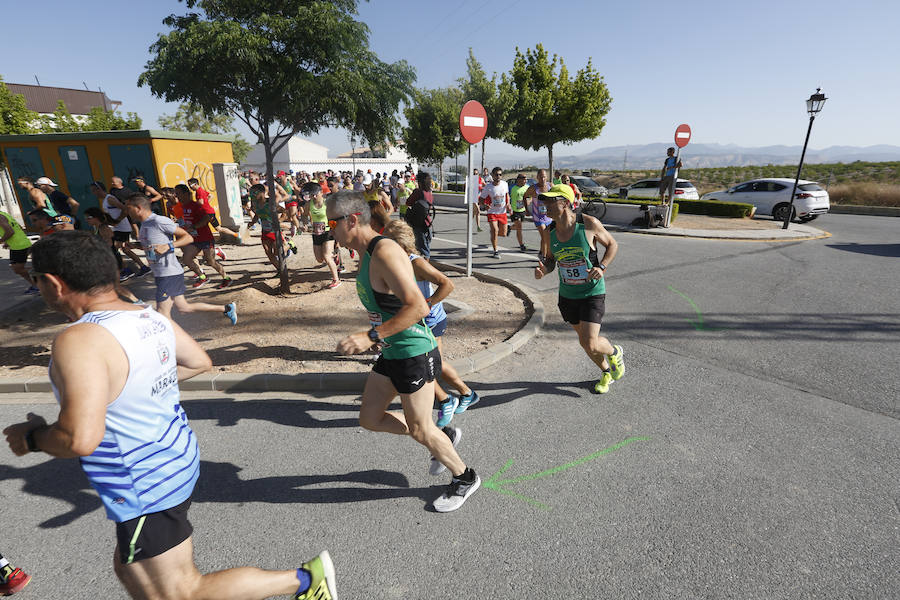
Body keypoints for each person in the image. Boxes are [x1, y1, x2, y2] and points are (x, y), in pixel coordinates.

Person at [2, 231, 335, 600]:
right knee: (131, 567)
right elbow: (198, 361)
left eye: (35, 279)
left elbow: (80, 438)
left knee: (179, 593)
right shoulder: (147, 316)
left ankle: (305, 580)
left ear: (52, 282)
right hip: (174, 457)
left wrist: (31, 437)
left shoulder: (80, 339)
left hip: (145, 481)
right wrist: (132, 387)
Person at [328, 191, 480, 512]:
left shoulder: (385, 251)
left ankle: (464, 477)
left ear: (352, 220)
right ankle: (438, 435)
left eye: (331, 223)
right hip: (393, 352)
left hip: (414, 352)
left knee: (420, 429)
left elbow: (418, 307)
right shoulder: (368, 254)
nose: (329, 231)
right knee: (370, 418)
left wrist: (371, 335)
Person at [382, 220, 479, 428]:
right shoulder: (396, 262)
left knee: (429, 366)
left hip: (431, 321)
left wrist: (427, 304)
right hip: (416, 322)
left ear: (401, 243)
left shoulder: (416, 263)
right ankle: (463, 394)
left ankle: (450, 399)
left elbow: (447, 284)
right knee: (433, 365)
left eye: (388, 241)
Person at [533, 185, 625, 394]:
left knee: (590, 342)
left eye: (550, 201)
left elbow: (612, 244)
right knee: (586, 344)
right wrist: (544, 271)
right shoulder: (550, 231)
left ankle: (614, 351)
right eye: (544, 201)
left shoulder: (588, 224)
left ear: (564, 203)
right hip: (567, 296)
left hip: (592, 292)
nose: (545, 205)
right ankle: (606, 372)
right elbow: (550, 261)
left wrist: (601, 267)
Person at [126, 195, 237, 324]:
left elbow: (188, 237)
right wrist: (135, 246)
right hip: (161, 273)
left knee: (163, 314)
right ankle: (226, 308)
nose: (126, 211)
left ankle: (176, 343)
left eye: (128, 208)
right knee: (184, 308)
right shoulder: (145, 224)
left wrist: (168, 246)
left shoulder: (159, 221)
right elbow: (152, 247)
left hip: (169, 274)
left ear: (138, 208)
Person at [176, 184, 233, 289]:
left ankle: (226, 278)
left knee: (210, 261)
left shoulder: (196, 206)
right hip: (194, 239)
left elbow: (207, 218)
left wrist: (193, 227)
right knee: (186, 259)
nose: (177, 196)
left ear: (186, 194)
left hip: (205, 238)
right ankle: (202, 276)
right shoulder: (183, 206)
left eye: (178, 193)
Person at [91, 182, 150, 281]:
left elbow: (125, 209)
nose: (93, 193)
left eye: (94, 190)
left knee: (114, 248)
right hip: (118, 228)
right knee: (124, 248)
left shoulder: (110, 199)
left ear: (99, 189)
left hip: (122, 228)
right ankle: (142, 267)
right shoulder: (105, 200)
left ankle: (126, 270)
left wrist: (117, 220)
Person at [84, 207, 142, 304]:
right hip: (108, 258)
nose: (87, 220)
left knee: (113, 285)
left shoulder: (103, 228)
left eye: (88, 217)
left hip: (111, 259)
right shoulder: (98, 228)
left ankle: (136, 301)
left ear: (96, 217)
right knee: (108, 284)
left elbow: (111, 244)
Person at [305, 181, 341, 289]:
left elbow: (335, 217)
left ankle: (336, 280)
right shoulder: (309, 204)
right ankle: (335, 254)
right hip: (316, 232)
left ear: (321, 192)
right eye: (312, 194)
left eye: (315, 194)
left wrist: (334, 229)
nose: (314, 196)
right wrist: (305, 224)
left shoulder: (327, 203)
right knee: (319, 259)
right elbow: (304, 215)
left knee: (326, 256)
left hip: (328, 231)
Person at [249, 184, 292, 270]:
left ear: (262, 193)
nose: (253, 195)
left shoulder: (270, 203)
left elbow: (285, 212)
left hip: (274, 231)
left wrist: (279, 221)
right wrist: (252, 222)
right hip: (265, 231)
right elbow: (257, 215)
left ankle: (290, 245)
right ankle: (280, 270)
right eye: (251, 193)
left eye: (254, 193)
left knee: (277, 252)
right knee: (268, 252)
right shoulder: (255, 205)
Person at [0, 210, 38, 294]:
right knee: (17, 268)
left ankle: (39, 280)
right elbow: (19, 227)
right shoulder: (4, 214)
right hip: (19, 244)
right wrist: (7, 242)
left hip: (19, 246)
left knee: (18, 269)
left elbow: (10, 231)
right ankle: (37, 282)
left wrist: (1, 240)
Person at [478, 167, 510, 259]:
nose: (498, 176)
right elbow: (481, 199)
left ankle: (494, 233)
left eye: (500, 174)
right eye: (496, 174)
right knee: (495, 231)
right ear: (492, 175)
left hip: (502, 212)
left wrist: (508, 204)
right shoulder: (488, 187)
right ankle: (495, 251)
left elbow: (507, 195)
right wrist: (484, 206)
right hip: (492, 212)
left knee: (503, 233)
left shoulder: (505, 184)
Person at [523, 169, 554, 260]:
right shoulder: (533, 188)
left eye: (544, 176)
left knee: (546, 237)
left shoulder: (550, 186)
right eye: (540, 177)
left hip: (549, 217)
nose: (543, 179)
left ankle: (541, 252)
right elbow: (525, 196)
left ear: (546, 177)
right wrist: (527, 209)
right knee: (545, 236)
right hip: (538, 217)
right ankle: (544, 258)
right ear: (537, 177)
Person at [404, 172, 435, 260]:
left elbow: (408, 202)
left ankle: (424, 269)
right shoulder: (429, 193)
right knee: (426, 245)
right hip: (428, 222)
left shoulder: (418, 192)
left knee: (422, 247)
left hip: (418, 222)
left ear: (420, 182)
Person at [508, 173, 529, 251]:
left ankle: (509, 227)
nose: (525, 180)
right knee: (519, 227)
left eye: (526, 179)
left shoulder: (527, 187)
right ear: (519, 179)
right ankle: (521, 245)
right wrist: (509, 208)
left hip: (523, 210)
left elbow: (530, 198)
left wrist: (528, 205)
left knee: (517, 226)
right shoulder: (513, 188)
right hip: (515, 210)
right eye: (524, 179)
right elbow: (508, 198)